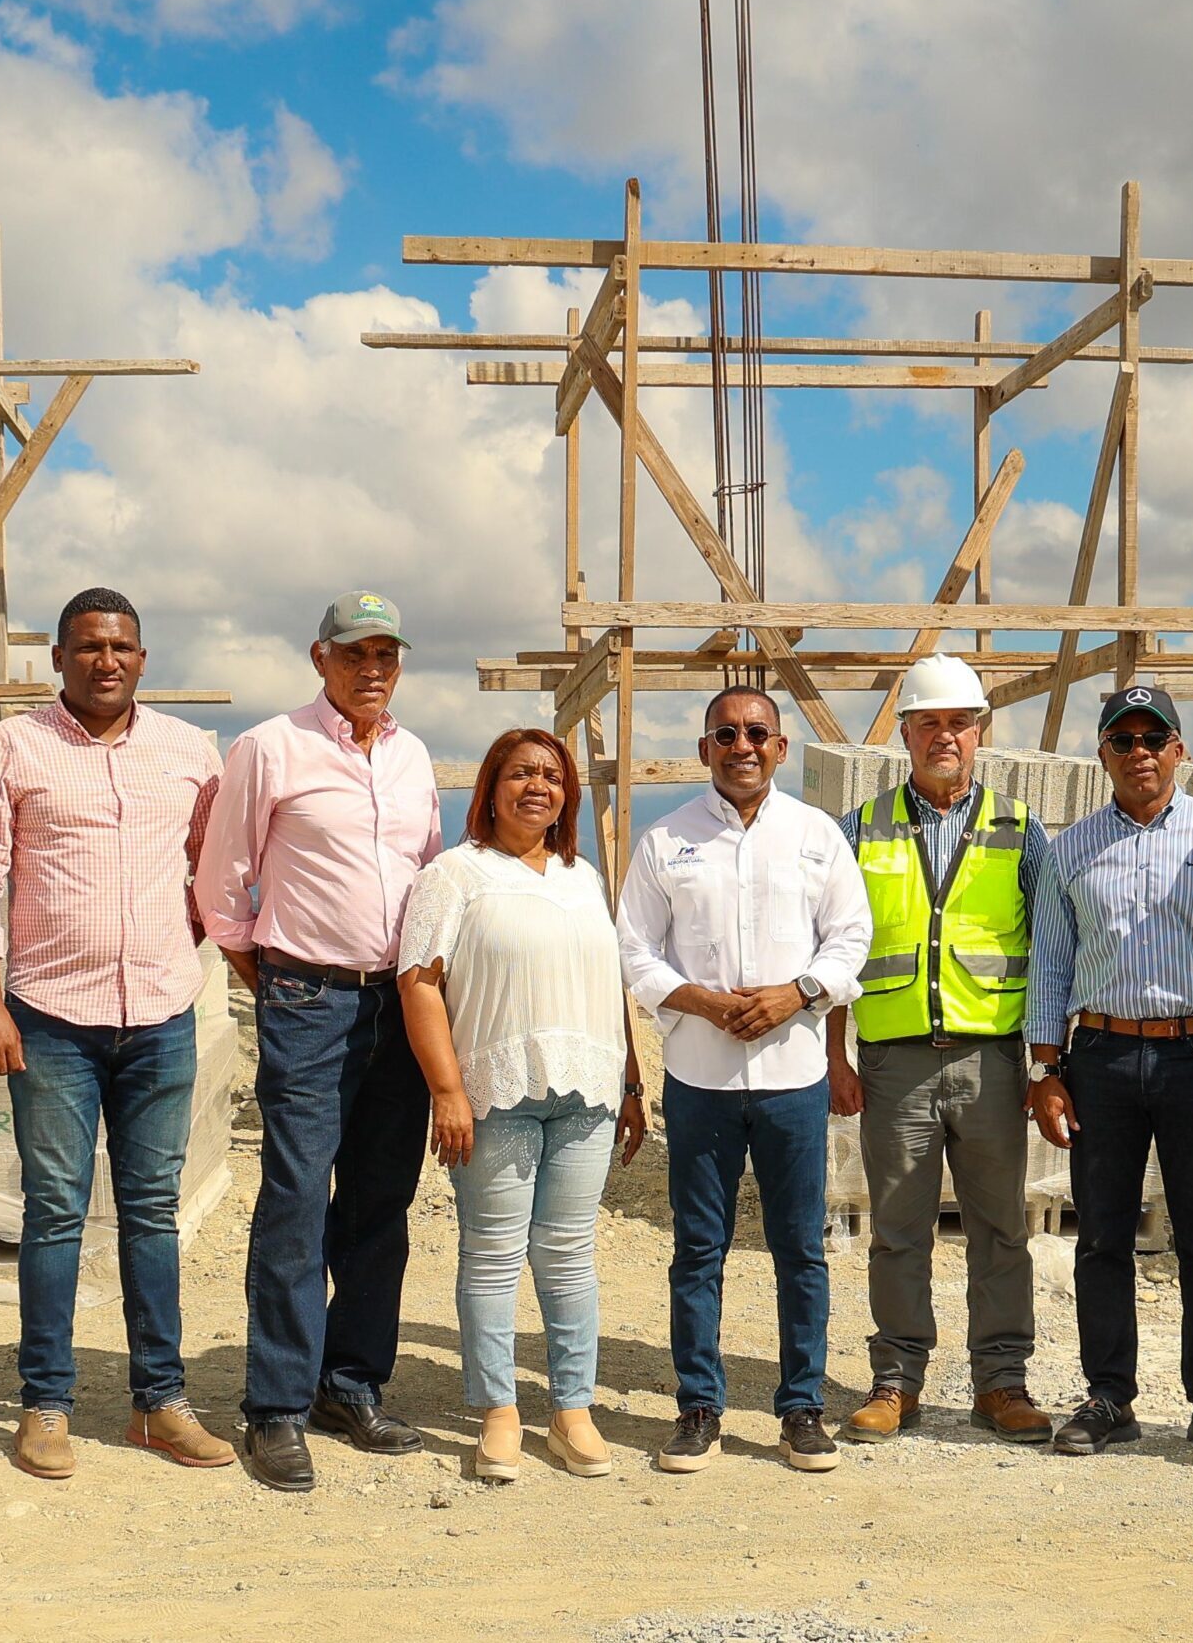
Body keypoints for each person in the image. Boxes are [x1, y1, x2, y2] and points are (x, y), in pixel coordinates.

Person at [0, 588, 233, 1481]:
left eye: (122, 647)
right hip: (50, 1019)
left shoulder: (189, 752)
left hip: (159, 1016)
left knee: (152, 1212)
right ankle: (47, 1404)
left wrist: (172, 935)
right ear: (59, 658)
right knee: (56, 1212)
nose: (106, 660)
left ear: (143, 658)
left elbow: (214, 866)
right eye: (87, 646)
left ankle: (160, 1402)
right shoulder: (15, 746)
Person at [196, 591, 444, 1492]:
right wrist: (271, 978)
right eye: (355, 654)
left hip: (399, 1004)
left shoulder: (415, 757)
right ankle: (275, 1408)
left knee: (381, 1200)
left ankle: (351, 1384)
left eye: (386, 653)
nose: (371, 669)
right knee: (298, 1199)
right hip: (308, 995)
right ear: (320, 659)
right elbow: (222, 883)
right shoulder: (269, 749)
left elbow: (428, 876)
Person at [617, 685, 871, 1476]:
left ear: (781, 748)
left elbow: (851, 934)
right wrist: (694, 998)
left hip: (793, 1078)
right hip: (700, 1077)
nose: (742, 746)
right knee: (699, 1249)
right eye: (725, 734)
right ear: (705, 750)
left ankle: (800, 1409)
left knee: (801, 1249)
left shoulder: (816, 835)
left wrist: (796, 993)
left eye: (757, 732)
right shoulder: (667, 842)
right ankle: (699, 1407)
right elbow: (633, 947)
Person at [1027, 683, 1193, 1460]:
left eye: (1152, 738)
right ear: (1102, 754)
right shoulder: (1071, 849)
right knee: (1101, 1236)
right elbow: (1050, 966)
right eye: (1122, 741)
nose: (1139, 753)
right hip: (1098, 1057)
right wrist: (1046, 1069)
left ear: (1179, 748)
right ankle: (1109, 1396)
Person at [396, 727, 647, 1484]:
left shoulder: (583, 876)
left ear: (566, 793)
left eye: (551, 775)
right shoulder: (454, 874)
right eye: (519, 774)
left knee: (570, 1256)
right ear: (490, 788)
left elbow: (612, 988)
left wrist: (632, 1082)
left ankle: (573, 1410)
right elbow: (420, 982)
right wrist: (447, 1091)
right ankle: (498, 1411)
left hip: (589, 1091)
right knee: (495, 1255)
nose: (537, 786)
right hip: (496, 1089)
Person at [827, 655, 1058, 1447]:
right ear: (905, 735)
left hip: (991, 1061)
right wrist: (837, 1057)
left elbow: (1049, 954)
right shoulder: (857, 830)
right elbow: (833, 951)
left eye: (958, 722)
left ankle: (1002, 1383)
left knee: (1000, 1228)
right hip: (893, 1063)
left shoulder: (1023, 832)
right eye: (928, 723)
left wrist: (1044, 1067)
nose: (944, 736)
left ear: (980, 732)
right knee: (897, 1229)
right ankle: (896, 1381)